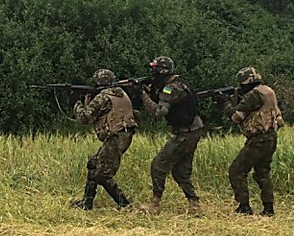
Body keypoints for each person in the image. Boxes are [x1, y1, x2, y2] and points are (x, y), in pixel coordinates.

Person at [138, 56, 203, 216]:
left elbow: (159, 112)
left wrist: (142, 95)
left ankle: (155, 203)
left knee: (158, 165)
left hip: (185, 133)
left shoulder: (171, 88)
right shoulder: (181, 82)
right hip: (194, 129)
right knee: (180, 171)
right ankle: (194, 204)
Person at [219, 67, 284, 216]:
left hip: (258, 139)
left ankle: (244, 207)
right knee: (262, 173)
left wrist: (225, 104)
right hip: (271, 137)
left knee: (237, 170)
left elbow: (237, 117)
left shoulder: (253, 95)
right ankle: (268, 208)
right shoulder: (268, 91)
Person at [71, 69, 137, 210]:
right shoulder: (120, 93)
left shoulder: (103, 97)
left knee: (102, 175)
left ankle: (125, 205)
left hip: (115, 137)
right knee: (94, 164)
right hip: (123, 135)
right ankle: (87, 203)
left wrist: (76, 103)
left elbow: (84, 118)